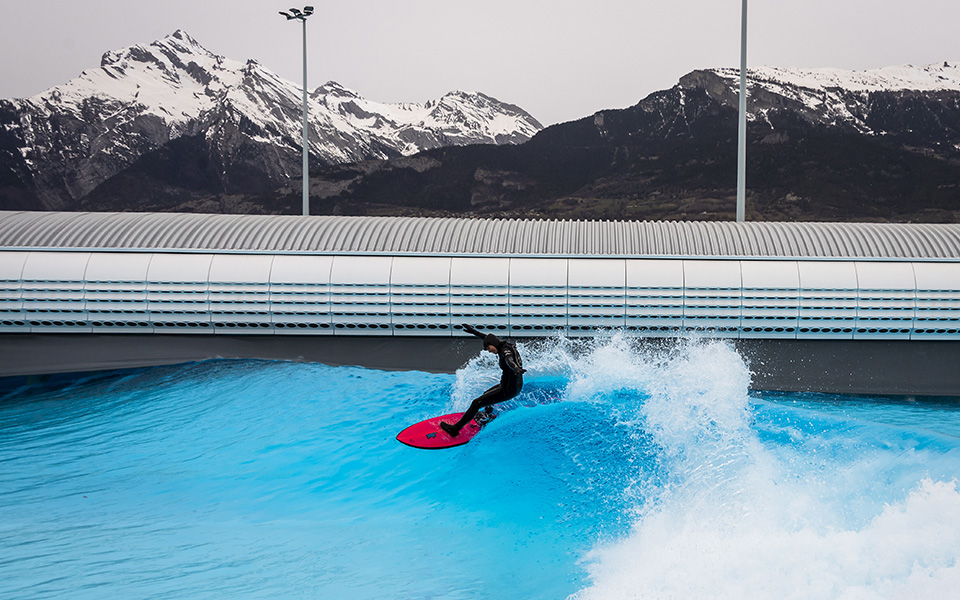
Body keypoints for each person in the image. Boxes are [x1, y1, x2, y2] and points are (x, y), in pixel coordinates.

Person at [440, 324, 526, 437]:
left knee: (476, 403)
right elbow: (488, 338)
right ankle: (487, 416)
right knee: (486, 395)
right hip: (511, 386)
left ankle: (455, 429)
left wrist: (515, 368)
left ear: (493, 344)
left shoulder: (505, 350)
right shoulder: (503, 345)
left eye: (489, 348)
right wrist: (474, 331)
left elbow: (508, 359)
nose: (489, 351)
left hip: (509, 389)